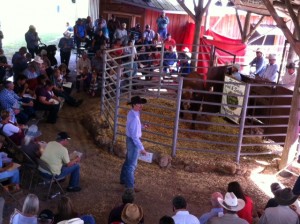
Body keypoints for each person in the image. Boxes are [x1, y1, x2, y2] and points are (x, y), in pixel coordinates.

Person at [120, 96, 148, 192]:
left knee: (128, 160)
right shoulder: (135, 118)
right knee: (132, 165)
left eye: (141, 104)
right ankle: (130, 187)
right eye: (139, 104)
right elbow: (135, 136)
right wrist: (142, 148)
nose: (141, 106)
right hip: (133, 141)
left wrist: (142, 126)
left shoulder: (132, 113)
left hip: (129, 139)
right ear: (134, 105)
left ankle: (123, 179)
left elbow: (133, 129)